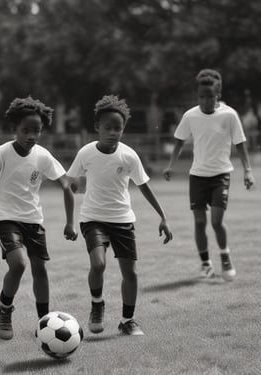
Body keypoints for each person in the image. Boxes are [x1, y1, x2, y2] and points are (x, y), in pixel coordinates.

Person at [0, 96, 78, 341]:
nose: (32, 136)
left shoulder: (42, 156)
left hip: (33, 219)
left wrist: (70, 222)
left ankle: (45, 322)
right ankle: (5, 310)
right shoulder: (2, 153)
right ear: (15, 129)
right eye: (26, 130)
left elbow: (66, 186)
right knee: (18, 264)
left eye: (37, 131)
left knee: (40, 269)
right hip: (5, 217)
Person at [68, 95, 172, 336]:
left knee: (130, 273)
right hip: (92, 218)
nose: (113, 132)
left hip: (123, 220)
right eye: (108, 127)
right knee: (98, 263)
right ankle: (97, 304)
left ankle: (128, 320)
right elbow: (71, 180)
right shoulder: (86, 153)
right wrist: (76, 188)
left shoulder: (129, 156)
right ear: (97, 128)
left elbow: (144, 185)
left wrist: (163, 216)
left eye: (118, 128)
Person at [164, 69, 255, 281]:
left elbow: (240, 144)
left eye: (210, 96)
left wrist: (248, 171)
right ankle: (206, 264)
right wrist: (170, 166)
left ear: (218, 95)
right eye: (201, 96)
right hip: (197, 176)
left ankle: (225, 256)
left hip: (221, 175)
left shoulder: (229, 115)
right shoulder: (190, 116)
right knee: (199, 222)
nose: (205, 100)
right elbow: (179, 141)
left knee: (215, 221)